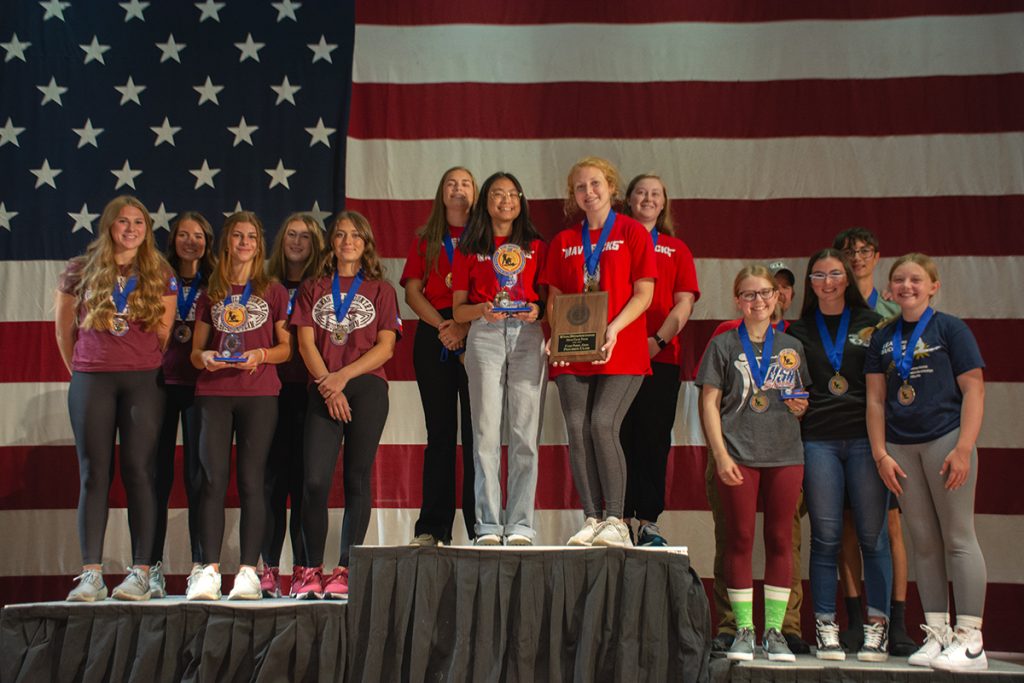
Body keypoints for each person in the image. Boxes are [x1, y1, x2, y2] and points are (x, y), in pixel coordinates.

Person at [866, 253, 988, 672]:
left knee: (957, 538)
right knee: (924, 543)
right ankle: (938, 633)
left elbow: (974, 390)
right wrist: (880, 453)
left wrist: (964, 447)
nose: (906, 286)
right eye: (899, 279)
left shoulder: (951, 328)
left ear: (934, 285)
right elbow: (876, 400)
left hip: (946, 441)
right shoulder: (882, 337)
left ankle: (971, 641)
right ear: (890, 289)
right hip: (900, 449)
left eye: (916, 279)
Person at [55, 195, 177, 602]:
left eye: (138, 223)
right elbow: (63, 331)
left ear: (147, 230)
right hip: (92, 380)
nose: (131, 229)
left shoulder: (159, 271)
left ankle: (140, 572)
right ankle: (91, 573)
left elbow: (163, 332)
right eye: (123, 222)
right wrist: (85, 371)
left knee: (140, 471)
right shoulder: (81, 269)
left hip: (143, 381)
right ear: (109, 225)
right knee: (94, 473)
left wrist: (133, 359)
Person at [696, 264, 810, 662]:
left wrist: (800, 404)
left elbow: (796, 398)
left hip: (784, 454)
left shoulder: (791, 347)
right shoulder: (723, 345)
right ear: (737, 299)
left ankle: (775, 632)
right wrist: (721, 453)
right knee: (739, 539)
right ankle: (743, 630)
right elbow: (708, 402)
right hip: (738, 454)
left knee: (781, 540)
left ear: (777, 297)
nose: (758, 301)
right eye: (749, 294)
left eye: (765, 293)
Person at [542, 156, 656, 547]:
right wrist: (555, 335)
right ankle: (591, 517)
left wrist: (614, 328)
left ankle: (616, 519)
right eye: (580, 187)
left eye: (595, 184)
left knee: (602, 424)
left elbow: (645, 293)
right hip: (574, 349)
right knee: (577, 428)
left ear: (611, 188)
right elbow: (554, 297)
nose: (588, 192)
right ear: (572, 195)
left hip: (620, 348)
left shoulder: (632, 232)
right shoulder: (563, 241)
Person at [787, 249, 892, 661]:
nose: (827, 281)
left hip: (866, 441)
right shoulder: (796, 330)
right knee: (826, 539)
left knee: (873, 536)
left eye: (834, 273)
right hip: (818, 441)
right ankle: (827, 626)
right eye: (818, 275)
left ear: (847, 278)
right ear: (810, 283)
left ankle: (877, 627)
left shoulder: (872, 324)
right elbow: (791, 385)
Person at [291, 211, 402, 599]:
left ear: (366, 242)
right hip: (324, 387)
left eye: (356, 234)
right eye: (340, 234)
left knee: (356, 477)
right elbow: (305, 343)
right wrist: (329, 385)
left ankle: (345, 569)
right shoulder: (313, 286)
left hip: (366, 387)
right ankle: (308, 569)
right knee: (315, 480)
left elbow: (386, 347)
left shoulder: (380, 290)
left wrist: (344, 378)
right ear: (331, 242)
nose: (347, 240)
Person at [186, 212, 292, 601]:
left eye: (251, 236)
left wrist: (261, 354)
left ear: (259, 245)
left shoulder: (274, 291)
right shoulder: (209, 292)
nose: (245, 242)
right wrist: (209, 357)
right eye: (237, 235)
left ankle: (248, 571)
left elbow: (286, 349)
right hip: (213, 393)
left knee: (252, 482)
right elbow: (195, 354)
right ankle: (209, 571)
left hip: (260, 394)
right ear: (226, 242)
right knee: (212, 481)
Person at [832, 226, 916, 655]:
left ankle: (895, 621)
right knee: (847, 526)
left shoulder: (892, 310)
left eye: (864, 250)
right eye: (849, 251)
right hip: (844, 428)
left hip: (887, 430)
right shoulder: (833, 306)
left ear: (877, 256)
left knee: (891, 526)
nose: (857, 257)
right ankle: (852, 621)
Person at [452, 172, 546, 546]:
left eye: (512, 194)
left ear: (521, 202)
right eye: (496, 194)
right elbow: (458, 311)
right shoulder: (469, 247)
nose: (505, 201)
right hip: (485, 335)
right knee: (486, 434)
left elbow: (547, 301)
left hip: (527, 336)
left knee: (525, 434)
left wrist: (537, 310)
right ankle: (488, 525)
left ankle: (521, 524)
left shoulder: (537, 245)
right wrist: (481, 310)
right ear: (485, 202)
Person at [619, 174, 699, 546]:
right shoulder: (612, 243)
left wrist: (658, 340)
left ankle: (648, 520)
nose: (648, 198)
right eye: (641, 192)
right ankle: (616, 518)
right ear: (629, 200)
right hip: (614, 357)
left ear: (664, 203)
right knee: (616, 436)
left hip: (659, 357)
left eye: (656, 193)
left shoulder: (675, 248)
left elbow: (684, 303)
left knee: (652, 438)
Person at [402, 167, 478, 547]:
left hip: (478, 335)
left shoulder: (486, 239)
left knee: (478, 435)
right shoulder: (425, 239)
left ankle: (483, 527)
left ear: (475, 193)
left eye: (465, 183)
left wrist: (463, 328)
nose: (458, 189)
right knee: (441, 435)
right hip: (434, 338)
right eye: (451, 183)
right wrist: (445, 328)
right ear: (441, 193)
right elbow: (412, 293)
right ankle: (433, 528)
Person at [260, 213, 326, 597]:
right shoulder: (265, 286)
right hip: (270, 392)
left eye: (306, 236)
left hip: (312, 390)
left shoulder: (323, 287)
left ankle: (304, 569)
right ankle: (268, 568)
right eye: (291, 234)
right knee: (272, 483)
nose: (298, 241)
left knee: (306, 485)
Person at [153, 211, 216, 597]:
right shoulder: (156, 278)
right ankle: (150, 567)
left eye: (198, 235)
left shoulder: (217, 283)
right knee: (156, 476)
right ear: (172, 239)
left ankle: (199, 566)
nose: (190, 241)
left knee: (199, 476)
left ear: (208, 242)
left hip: (202, 386)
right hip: (158, 383)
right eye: (183, 234)